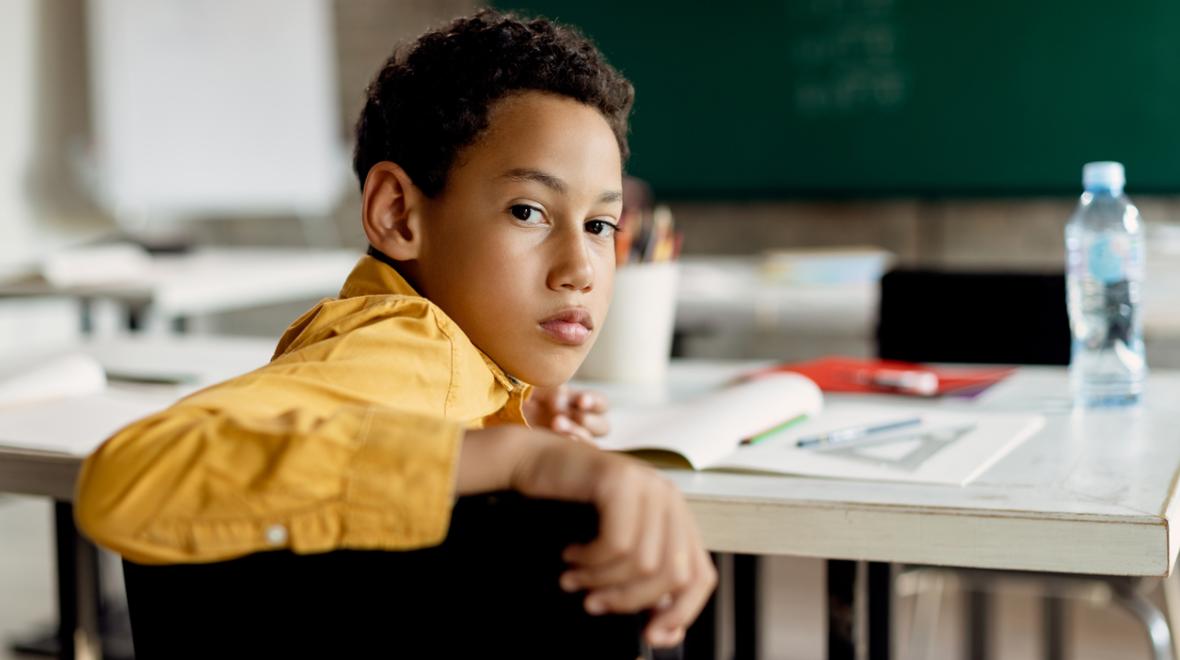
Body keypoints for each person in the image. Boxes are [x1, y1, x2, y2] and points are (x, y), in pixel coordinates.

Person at [75, 9, 715, 650]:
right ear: (397, 213)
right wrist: (522, 458)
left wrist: (503, 420)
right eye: (528, 211)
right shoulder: (407, 344)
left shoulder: (448, 359)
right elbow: (131, 473)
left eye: (601, 226)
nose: (580, 269)